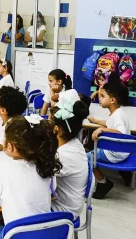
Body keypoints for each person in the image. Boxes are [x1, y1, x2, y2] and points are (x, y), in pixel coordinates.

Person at [0, 115, 62, 239]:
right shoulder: (47, 167)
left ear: (10, 146)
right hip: (44, 234)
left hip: (15, 235)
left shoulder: (3, 169)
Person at [86, 73, 131, 199]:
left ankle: (103, 182)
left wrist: (102, 129)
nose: (100, 99)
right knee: (91, 153)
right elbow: (109, 124)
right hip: (122, 151)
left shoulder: (117, 115)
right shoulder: (117, 113)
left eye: (103, 96)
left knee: (85, 158)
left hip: (115, 153)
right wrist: (96, 121)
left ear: (112, 100)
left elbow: (120, 132)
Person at [50, 90, 89, 220]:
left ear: (57, 129)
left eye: (50, 121)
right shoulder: (74, 144)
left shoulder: (65, 156)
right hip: (66, 203)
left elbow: (37, 174)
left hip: (62, 211)